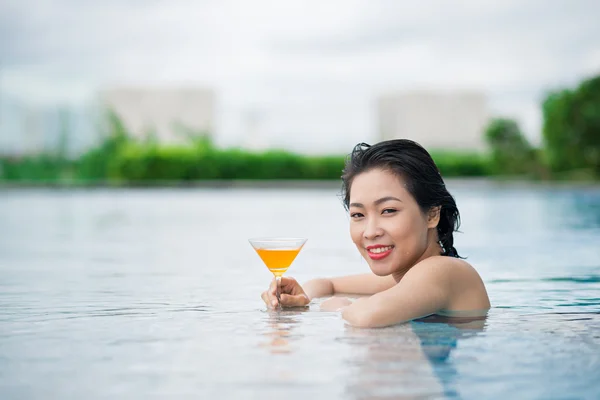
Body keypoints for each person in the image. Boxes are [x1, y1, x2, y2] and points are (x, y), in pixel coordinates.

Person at [260, 139, 491, 328]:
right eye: (358, 215)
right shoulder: (406, 279)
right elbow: (326, 284)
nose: (370, 232)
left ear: (432, 215)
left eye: (388, 210)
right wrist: (302, 299)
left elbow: (366, 317)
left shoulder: (443, 270)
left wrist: (337, 306)